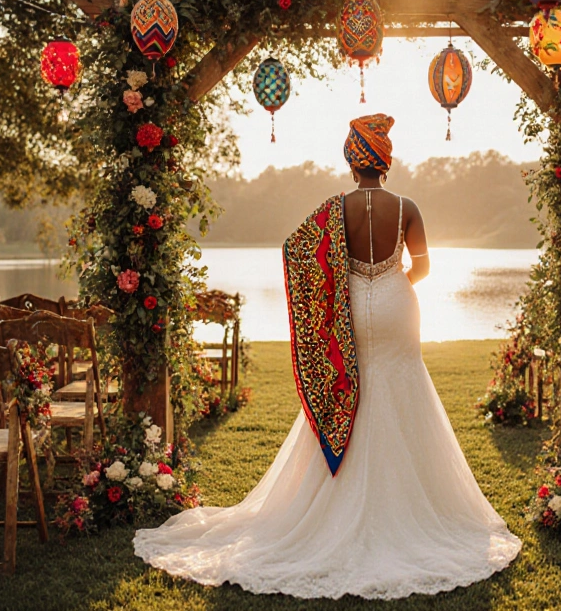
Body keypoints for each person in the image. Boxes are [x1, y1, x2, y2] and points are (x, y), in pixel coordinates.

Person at [133, 114, 521, 599]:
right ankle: (409, 509)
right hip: (399, 304)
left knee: (350, 386)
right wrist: (394, 286)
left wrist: (339, 289)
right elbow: (423, 266)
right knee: (402, 386)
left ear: (351, 159)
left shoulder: (333, 209)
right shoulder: (408, 207)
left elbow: (297, 251)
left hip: (350, 306)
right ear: (385, 160)